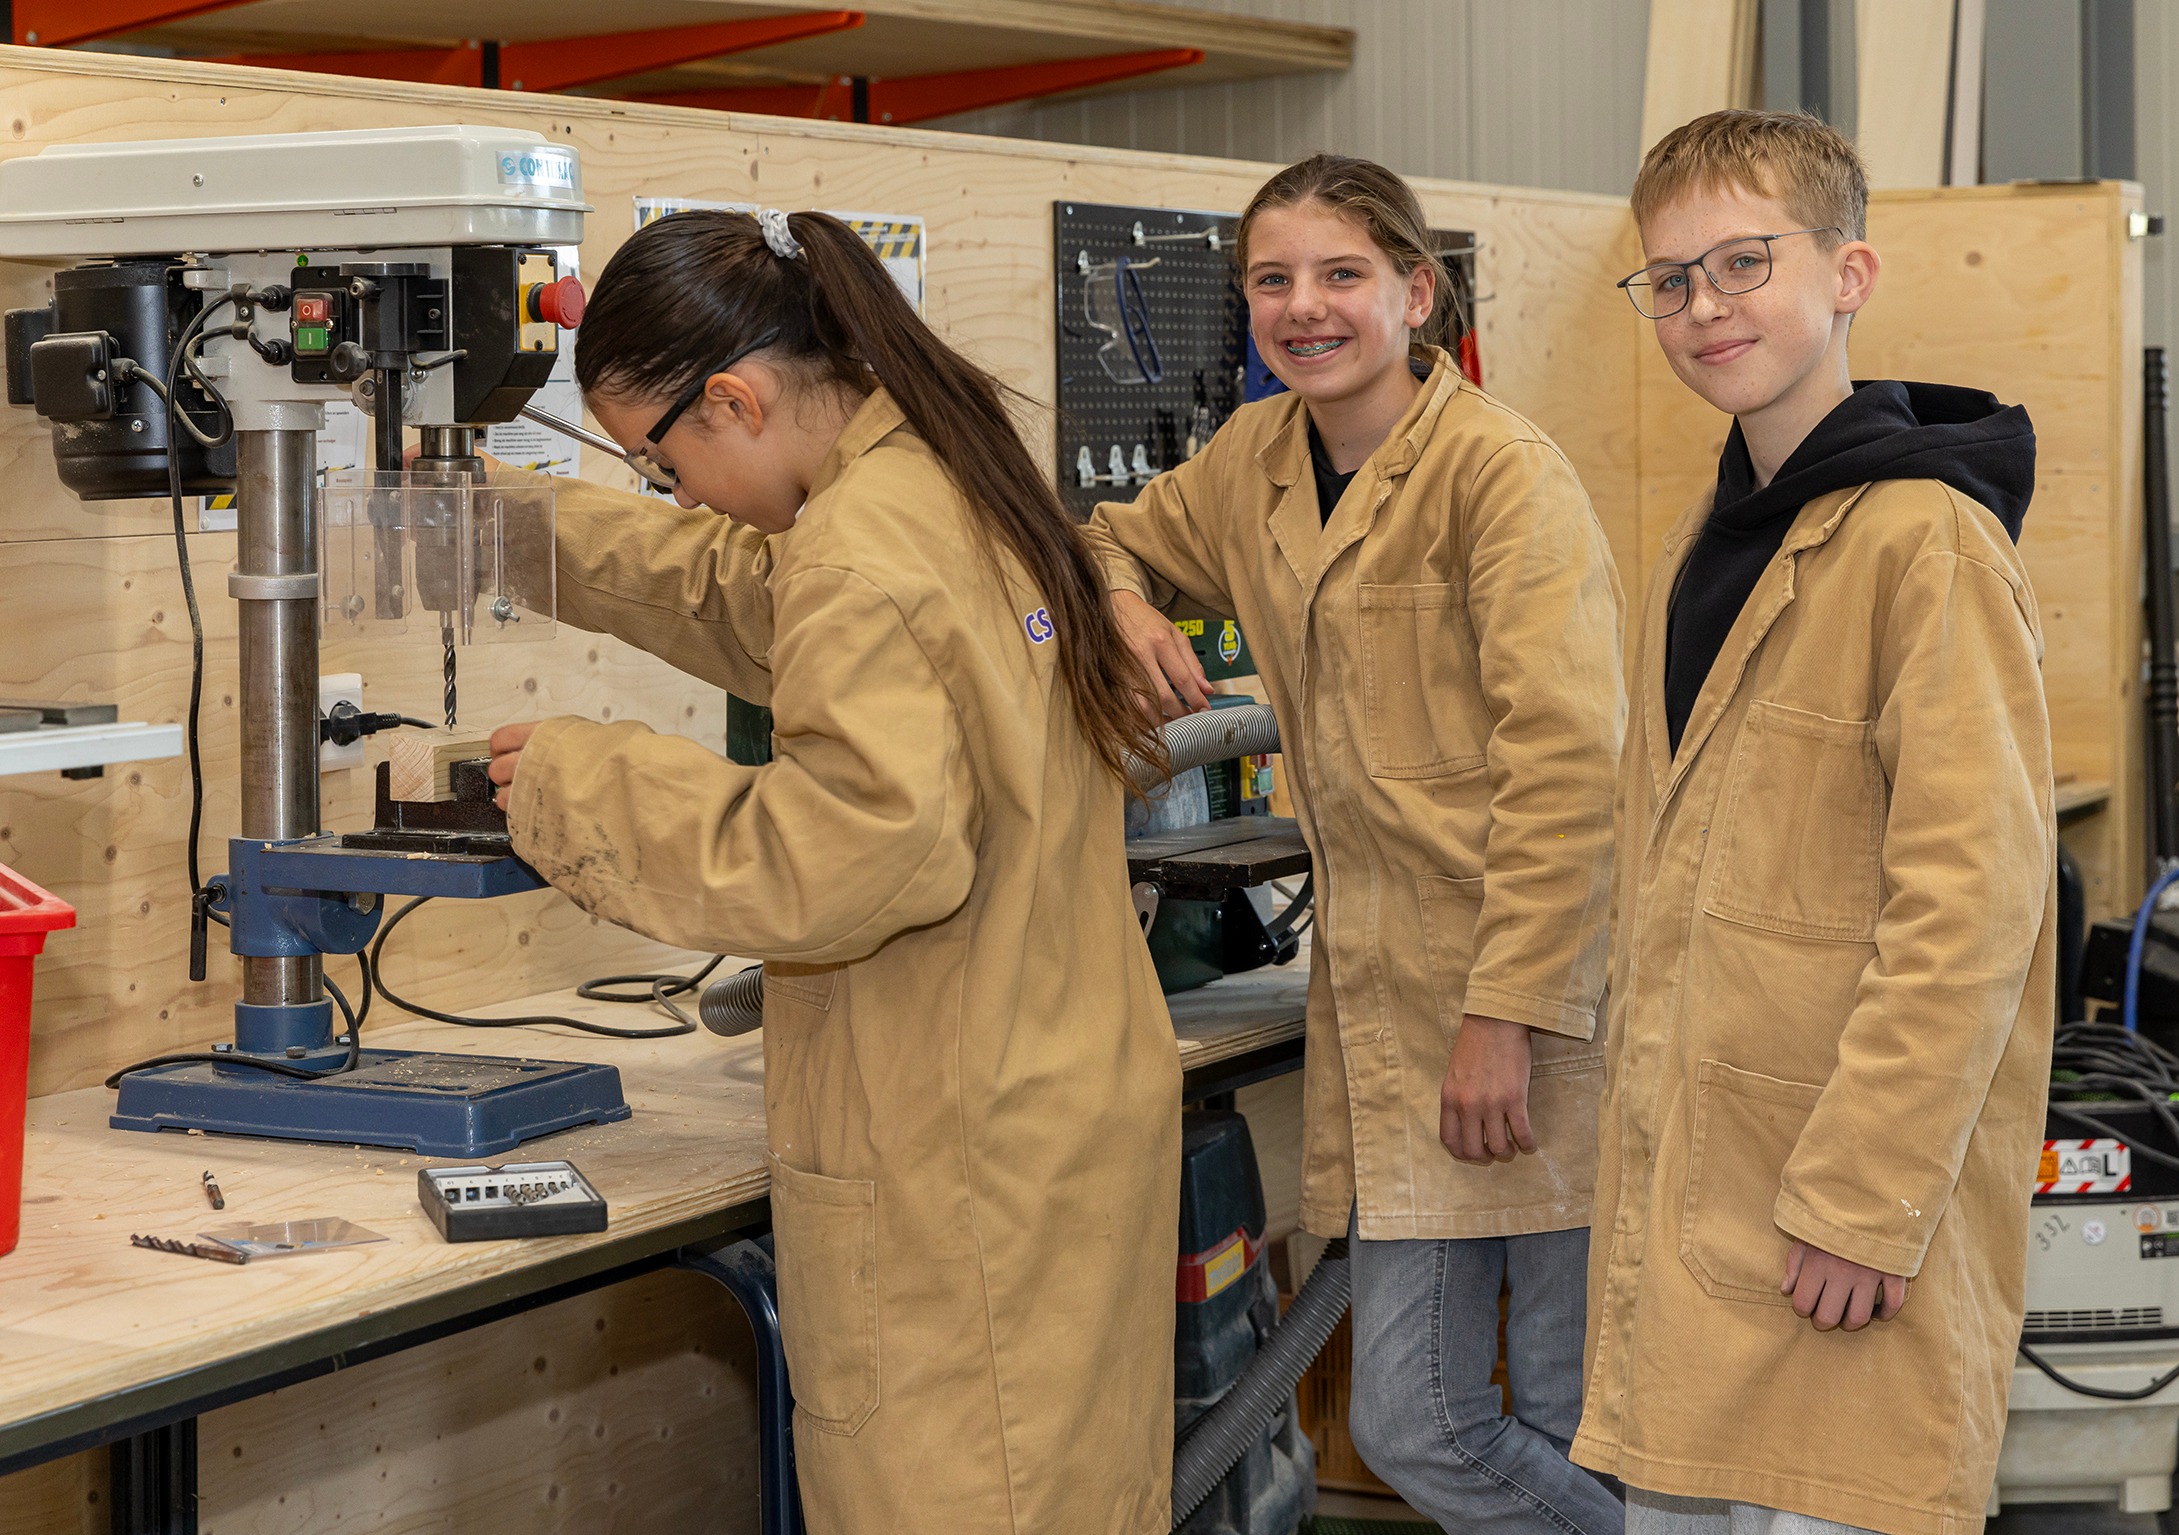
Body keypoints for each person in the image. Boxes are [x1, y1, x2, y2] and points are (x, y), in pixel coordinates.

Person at [484, 208, 1183, 1534]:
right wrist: (503, 525)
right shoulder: (944, 480)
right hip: (1055, 1114)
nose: (674, 493)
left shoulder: (864, 551)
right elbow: (744, 591)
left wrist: (587, 784)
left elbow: (856, 853)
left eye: (660, 457)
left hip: (955, 1166)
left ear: (736, 399)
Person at [1082, 154, 1627, 1535]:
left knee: (1556, 1411)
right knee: (1413, 1416)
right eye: (1274, 280)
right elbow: (1098, 532)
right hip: (1384, 1005)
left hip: (1540, 1003)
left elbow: (1570, 773)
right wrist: (1123, 606)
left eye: (1341, 275)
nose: (1303, 308)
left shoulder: (1503, 479)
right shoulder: (1256, 462)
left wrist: (1502, 1017)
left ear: (1416, 292)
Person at [1571, 110, 2054, 1535]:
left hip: (1838, 1222)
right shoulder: (1718, 535)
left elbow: (1971, 907)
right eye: (1670, 280)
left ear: (1849, 274)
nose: (1704, 306)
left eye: (1742, 262)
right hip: (1709, 1206)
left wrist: (1861, 1195)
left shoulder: (1928, 542)